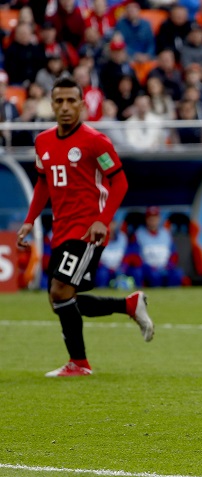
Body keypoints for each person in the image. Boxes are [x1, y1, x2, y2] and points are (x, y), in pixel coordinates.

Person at [16, 77, 155, 378]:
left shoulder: (95, 141)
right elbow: (43, 182)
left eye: (71, 101)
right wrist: (30, 220)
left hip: (88, 229)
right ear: (51, 104)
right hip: (61, 229)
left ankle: (79, 363)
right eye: (59, 101)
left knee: (60, 291)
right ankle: (129, 305)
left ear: (82, 104)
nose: (65, 107)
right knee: (62, 300)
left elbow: (119, 181)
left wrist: (102, 221)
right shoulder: (43, 141)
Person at [134, 206, 185, 287]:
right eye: (150, 218)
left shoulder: (166, 234)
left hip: (165, 267)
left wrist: (169, 265)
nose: (153, 221)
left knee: (178, 273)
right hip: (148, 268)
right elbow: (135, 256)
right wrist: (149, 267)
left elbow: (174, 254)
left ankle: (172, 297)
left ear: (159, 219)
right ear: (146, 220)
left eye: (155, 218)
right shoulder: (139, 234)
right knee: (155, 276)